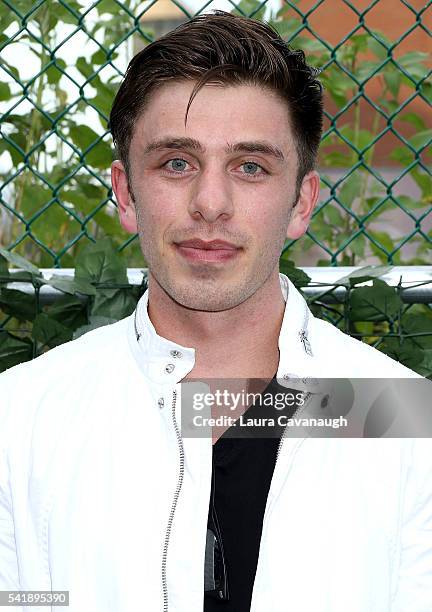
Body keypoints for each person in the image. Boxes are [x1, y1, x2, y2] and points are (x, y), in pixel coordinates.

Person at [0, 10, 431, 612]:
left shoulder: (402, 418)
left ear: (301, 202)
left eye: (250, 167)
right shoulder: (21, 420)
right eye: (177, 162)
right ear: (125, 194)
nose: (210, 203)